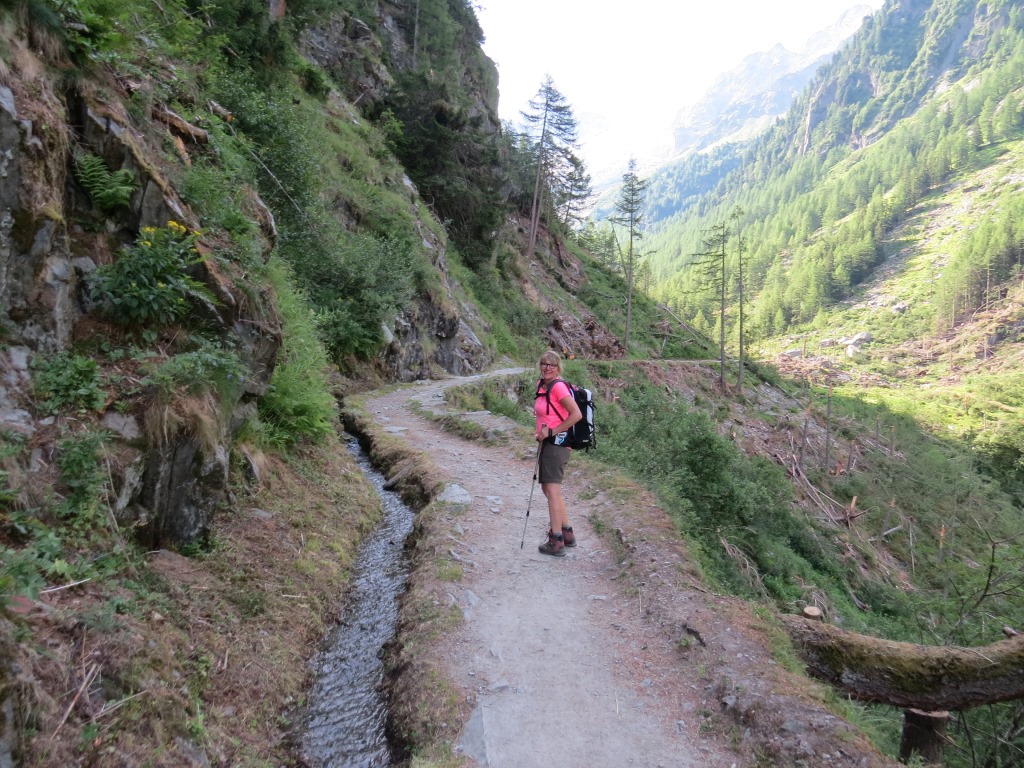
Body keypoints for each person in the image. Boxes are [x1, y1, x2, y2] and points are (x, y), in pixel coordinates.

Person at [534, 350, 582, 557]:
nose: (547, 367)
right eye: (544, 364)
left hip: (557, 445)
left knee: (552, 491)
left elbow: (576, 415)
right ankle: (567, 532)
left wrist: (552, 431)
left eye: (551, 365)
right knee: (548, 489)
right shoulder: (541, 385)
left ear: (558, 368)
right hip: (548, 443)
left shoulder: (558, 387)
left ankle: (556, 541)